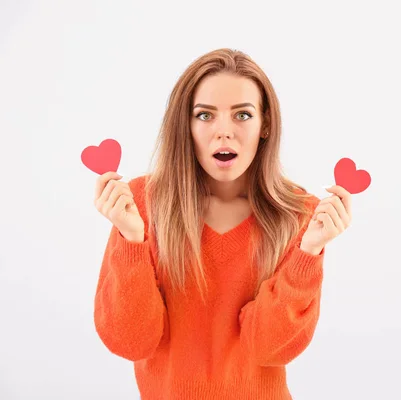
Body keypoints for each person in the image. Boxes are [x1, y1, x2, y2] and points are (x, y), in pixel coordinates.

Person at [92, 48, 352, 400]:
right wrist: (131, 239)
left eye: (242, 115)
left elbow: (270, 349)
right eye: (205, 116)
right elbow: (131, 342)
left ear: (265, 125)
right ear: (185, 125)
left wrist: (310, 250)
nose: (224, 133)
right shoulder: (139, 203)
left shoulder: (299, 214)